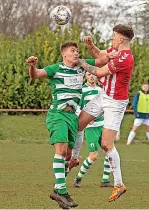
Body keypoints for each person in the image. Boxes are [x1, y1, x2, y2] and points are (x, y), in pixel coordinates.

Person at [26, 42, 109, 209]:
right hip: (58, 114)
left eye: (77, 51)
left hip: (72, 117)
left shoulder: (81, 66)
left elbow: (101, 61)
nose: (76, 53)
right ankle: (62, 191)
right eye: (73, 51)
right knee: (62, 150)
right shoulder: (55, 68)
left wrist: (101, 49)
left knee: (69, 155)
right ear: (64, 54)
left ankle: (57, 189)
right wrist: (32, 66)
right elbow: (35, 75)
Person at [73, 24, 134, 202]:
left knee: (107, 144)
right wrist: (91, 45)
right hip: (104, 96)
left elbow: (98, 71)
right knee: (78, 124)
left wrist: (80, 63)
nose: (112, 39)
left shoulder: (125, 58)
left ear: (121, 39)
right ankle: (74, 159)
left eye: (114, 36)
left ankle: (119, 184)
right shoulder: (115, 52)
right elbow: (100, 56)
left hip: (115, 102)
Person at [73, 72, 113, 188]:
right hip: (91, 128)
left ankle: (105, 180)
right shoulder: (82, 90)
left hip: (103, 125)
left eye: (93, 74)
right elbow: (77, 107)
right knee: (93, 156)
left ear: (96, 76)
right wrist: (85, 118)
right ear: (85, 76)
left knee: (109, 151)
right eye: (89, 74)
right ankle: (78, 177)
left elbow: (104, 105)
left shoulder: (100, 90)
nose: (91, 76)